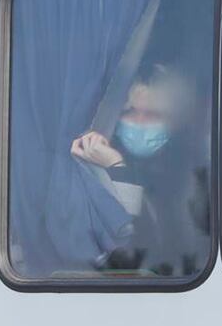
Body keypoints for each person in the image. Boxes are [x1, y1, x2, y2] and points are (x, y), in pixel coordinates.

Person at [70, 63, 209, 276]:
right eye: (130, 112)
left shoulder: (189, 174)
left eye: (153, 115)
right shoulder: (93, 167)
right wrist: (117, 169)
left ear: (178, 121)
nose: (138, 123)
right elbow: (125, 255)